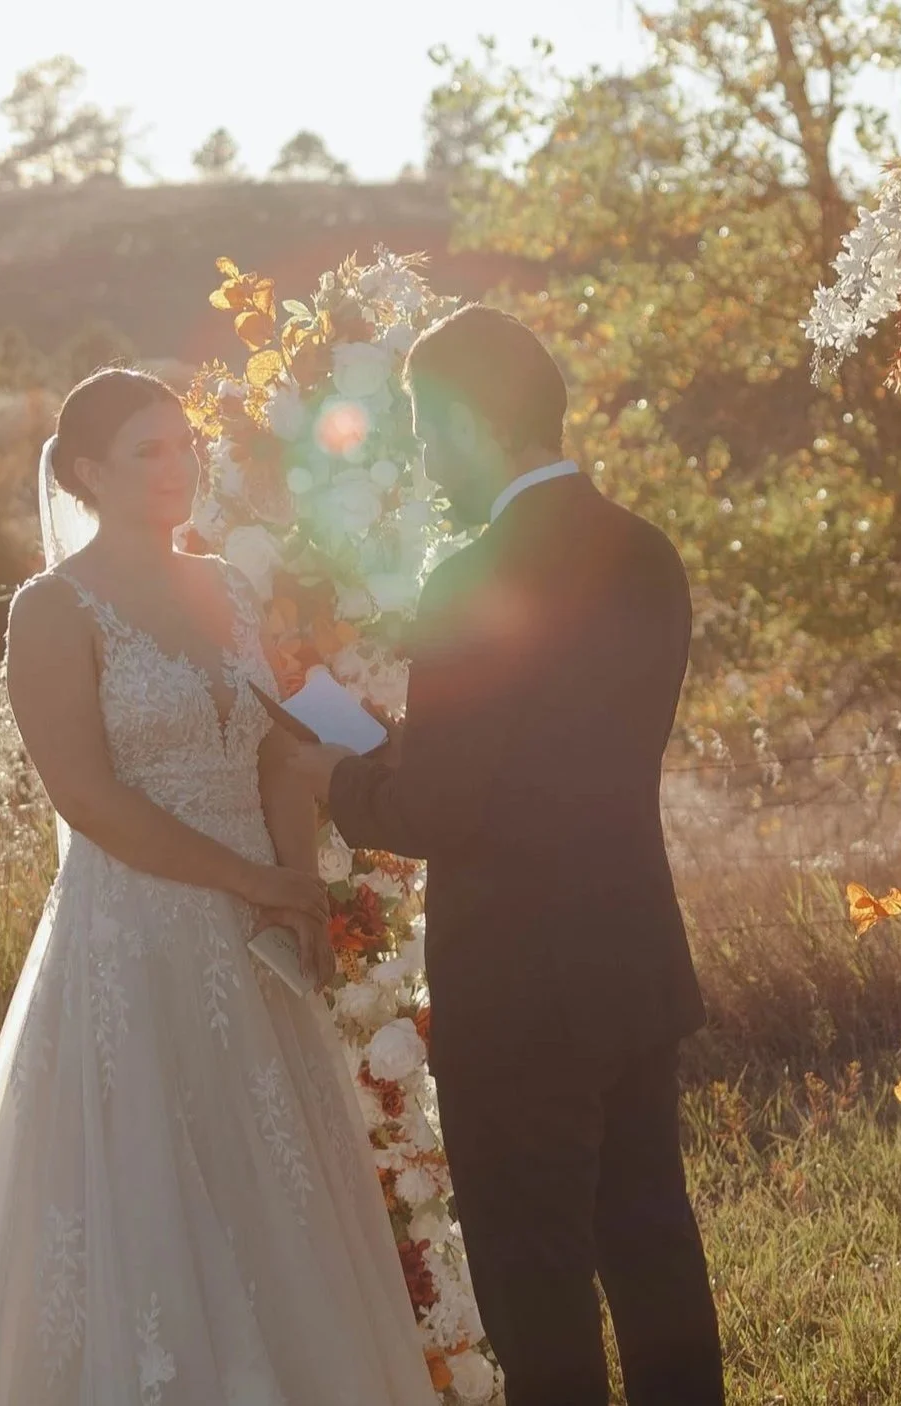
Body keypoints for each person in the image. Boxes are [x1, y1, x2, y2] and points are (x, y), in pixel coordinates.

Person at [0, 368, 438, 1406]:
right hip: (136, 930)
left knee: (266, 1172)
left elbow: (276, 753)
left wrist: (292, 884)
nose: (177, 466)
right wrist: (247, 879)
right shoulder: (53, 608)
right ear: (88, 472)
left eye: (184, 444)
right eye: (149, 450)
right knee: (144, 1176)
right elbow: (87, 796)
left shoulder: (225, 585)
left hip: (254, 926)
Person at [288, 306, 725, 1406]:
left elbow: (442, 807)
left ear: (475, 423)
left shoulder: (470, 576)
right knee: (652, 1247)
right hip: (628, 955)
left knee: (536, 1283)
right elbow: (548, 758)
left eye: (429, 429)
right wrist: (402, 753)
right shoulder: (647, 549)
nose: (426, 459)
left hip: (519, 991)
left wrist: (333, 777)